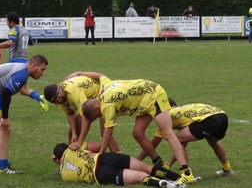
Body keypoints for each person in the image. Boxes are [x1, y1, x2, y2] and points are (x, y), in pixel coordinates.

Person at [66, 71, 196, 184]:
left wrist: (101, 153)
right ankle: (159, 163)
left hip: (154, 94)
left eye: (97, 115)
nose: (100, 116)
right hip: (142, 102)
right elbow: (100, 76)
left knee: (167, 133)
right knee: (137, 133)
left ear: (96, 108)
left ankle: (186, 172)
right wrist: (79, 73)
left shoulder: (107, 105)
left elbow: (108, 131)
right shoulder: (103, 89)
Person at [0, 54, 48, 174]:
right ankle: (3, 167)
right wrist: (5, 118)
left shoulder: (24, 68)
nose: (43, 73)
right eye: (42, 69)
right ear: (33, 66)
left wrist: (37, 97)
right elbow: (6, 94)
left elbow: (23, 89)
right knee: (4, 128)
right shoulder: (22, 73)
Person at [138, 102, 234, 177]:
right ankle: (227, 169)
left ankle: (188, 174)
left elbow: (153, 144)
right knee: (213, 141)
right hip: (221, 115)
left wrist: (137, 161)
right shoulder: (181, 110)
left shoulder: (167, 116)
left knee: (178, 140)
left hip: (209, 120)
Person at [52, 142, 187, 188]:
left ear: (57, 159)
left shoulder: (64, 175)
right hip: (106, 158)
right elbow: (98, 145)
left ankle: (161, 184)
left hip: (101, 175)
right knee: (148, 168)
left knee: (141, 177)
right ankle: (178, 178)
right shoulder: (73, 147)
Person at [43, 76, 120, 152]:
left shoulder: (72, 91)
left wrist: (79, 142)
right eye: (54, 102)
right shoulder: (60, 96)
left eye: (56, 101)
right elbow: (70, 114)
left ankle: (118, 158)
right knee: (72, 132)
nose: (56, 104)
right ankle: (70, 158)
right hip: (91, 103)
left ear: (59, 93)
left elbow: (86, 117)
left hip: (103, 97)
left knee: (104, 132)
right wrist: (74, 133)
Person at [0, 12, 48, 112]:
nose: (7, 24)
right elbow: (31, 42)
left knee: (3, 87)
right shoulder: (25, 30)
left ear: (11, 22)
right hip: (25, 62)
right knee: (23, 90)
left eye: (7, 21)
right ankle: (39, 97)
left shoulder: (14, 29)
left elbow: (10, 42)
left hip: (14, 62)